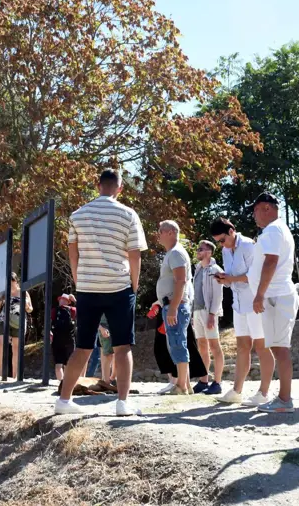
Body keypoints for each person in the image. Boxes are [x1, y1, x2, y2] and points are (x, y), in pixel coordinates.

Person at [55, 169, 147, 416]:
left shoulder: (78, 215)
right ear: (120, 189)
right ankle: (122, 403)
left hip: (87, 287)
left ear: (98, 186)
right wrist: (134, 286)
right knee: (122, 346)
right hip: (118, 286)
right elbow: (135, 254)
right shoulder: (129, 214)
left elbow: (73, 253)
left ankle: (64, 400)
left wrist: (78, 280)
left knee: (83, 346)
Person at [210, 217, 274, 407]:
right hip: (239, 304)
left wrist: (230, 278)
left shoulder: (248, 245)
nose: (221, 244)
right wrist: (225, 279)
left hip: (255, 302)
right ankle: (237, 391)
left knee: (262, 347)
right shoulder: (225, 250)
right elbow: (234, 277)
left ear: (232, 231)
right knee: (242, 347)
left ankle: (264, 393)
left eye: (222, 240)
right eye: (218, 242)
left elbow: (255, 276)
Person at [246, 193, 299, 414]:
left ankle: (285, 400)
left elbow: (271, 262)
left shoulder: (272, 231)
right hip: (277, 295)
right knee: (279, 348)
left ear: (267, 208)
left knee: (280, 349)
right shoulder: (278, 230)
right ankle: (283, 398)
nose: (254, 215)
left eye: (256, 210)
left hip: (276, 296)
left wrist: (259, 294)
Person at [156, 220, 194, 395]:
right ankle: (185, 383)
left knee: (178, 343)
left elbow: (181, 280)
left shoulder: (176, 253)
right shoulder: (173, 253)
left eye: (160, 231)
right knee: (177, 342)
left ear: (171, 232)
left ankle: (182, 386)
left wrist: (173, 307)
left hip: (175, 306)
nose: (158, 234)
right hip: (172, 304)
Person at [191, 240, 226, 395]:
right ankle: (203, 380)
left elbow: (218, 295)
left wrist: (212, 314)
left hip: (208, 312)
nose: (198, 251)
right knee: (202, 347)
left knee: (214, 347)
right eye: (198, 249)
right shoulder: (198, 268)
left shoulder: (215, 270)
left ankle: (217, 383)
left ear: (209, 252)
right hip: (197, 311)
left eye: (201, 249)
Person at [0, 273, 33, 379]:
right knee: (1, 344)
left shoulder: (23, 292)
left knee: (16, 348)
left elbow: (30, 309)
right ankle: (0, 374)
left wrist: (26, 305)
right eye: (8, 282)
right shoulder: (4, 293)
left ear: (16, 281)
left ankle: (15, 375)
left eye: (12, 281)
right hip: (4, 320)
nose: (10, 284)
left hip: (18, 321)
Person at [51, 293, 78, 381]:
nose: (61, 301)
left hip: (57, 339)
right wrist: (75, 300)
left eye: (62, 299)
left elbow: (49, 324)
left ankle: (61, 383)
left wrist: (50, 333)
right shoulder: (73, 310)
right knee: (68, 363)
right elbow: (84, 311)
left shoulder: (54, 311)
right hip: (69, 339)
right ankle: (65, 383)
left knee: (58, 364)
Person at [97, 317, 116, 384]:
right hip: (104, 325)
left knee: (118, 353)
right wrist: (100, 327)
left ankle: (113, 378)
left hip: (118, 323)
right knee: (108, 355)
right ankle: (106, 382)